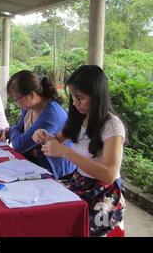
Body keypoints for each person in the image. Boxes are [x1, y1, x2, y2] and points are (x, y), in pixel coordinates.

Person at [33, 65, 126, 237]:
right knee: (40, 207)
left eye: (80, 98)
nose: (75, 103)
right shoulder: (80, 117)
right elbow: (56, 140)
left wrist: (65, 152)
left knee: (71, 225)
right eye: (73, 97)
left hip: (104, 192)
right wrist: (44, 136)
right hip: (80, 181)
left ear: (97, 96)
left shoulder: (112, 126)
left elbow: (109, 174)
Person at [0, 70, 76, 179]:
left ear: (31, 95)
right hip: (35, 161)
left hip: (53, 170)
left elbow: (19, 145)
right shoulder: (29, 108)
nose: (16, 103)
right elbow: (19, 132)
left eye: (17, 99)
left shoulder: (50, 115)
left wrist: (11, 129)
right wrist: (6, 131)